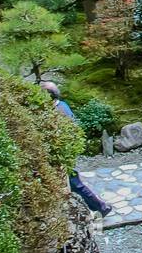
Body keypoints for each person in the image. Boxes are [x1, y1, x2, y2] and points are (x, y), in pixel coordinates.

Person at [41, 81, 112, 217]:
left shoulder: (58, 111)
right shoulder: (63, 105)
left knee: (74, 183)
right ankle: (99, 207)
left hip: (63, 153)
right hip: (66, 152)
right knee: (73, 183)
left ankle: (101, 207)